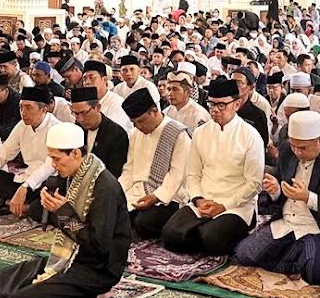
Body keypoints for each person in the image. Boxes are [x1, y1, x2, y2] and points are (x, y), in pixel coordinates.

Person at [0, 123, 131, 298]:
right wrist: (57, 211)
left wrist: (63, 212)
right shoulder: (75, 177)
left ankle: (90, 296)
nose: (53, 165)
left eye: (56, 158)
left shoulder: (105, 189)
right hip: (72, 258)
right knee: (2, 279)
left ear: (75, 154)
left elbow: (99, 245)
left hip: (97, 270)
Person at [235, 110, 320, 284]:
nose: (297, 152)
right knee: (244, 253)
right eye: (294, 146)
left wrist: (308, 197)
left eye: (303, 147)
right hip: (288, 222)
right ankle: (298, 256)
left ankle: (300, 255)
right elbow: (281, 186)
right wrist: (276, 190)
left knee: (319, 274)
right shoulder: (288, 150)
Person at [161, 78, 263, 256]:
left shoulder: (250, 136)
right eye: (212, 104)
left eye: (222, 105)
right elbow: (192, 174)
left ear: (237, 104)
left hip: (236, 205)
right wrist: (199, 199)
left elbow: (253, 184)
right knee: (169, 236)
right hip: (204, 201)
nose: (215, 110)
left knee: (212, 241)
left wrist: (223, 206)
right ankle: (204, 229)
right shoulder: (201, 132)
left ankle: (209, 231)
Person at [0, 87, 58, 214]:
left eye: (28, 107)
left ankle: (19, 205)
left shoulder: (56, 128)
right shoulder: (22, 125)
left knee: (49, 195)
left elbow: (50, 166)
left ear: (44, 109)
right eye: (21, 107)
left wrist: (25, 187)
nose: (23, 112)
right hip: (25, 177)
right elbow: (3, 154)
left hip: (45, 181)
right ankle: (12, 203)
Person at [119, 88, 191, 241]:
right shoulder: (136, 133)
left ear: (154, 111)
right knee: (113, 208)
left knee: (142, 222)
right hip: (138, 190)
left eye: (141, 121)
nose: (138, 126)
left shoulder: (177, 134)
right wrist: (118, 190)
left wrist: (156, 197)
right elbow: (129, 167)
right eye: (134, 123)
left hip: (170, 196)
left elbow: (177, 176)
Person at [68, 86, 129, 178]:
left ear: (98, 107)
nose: (80, 119)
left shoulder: (117, 134)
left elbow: (113, 174)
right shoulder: (77, 129)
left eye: (84, 113)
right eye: (76, 114)